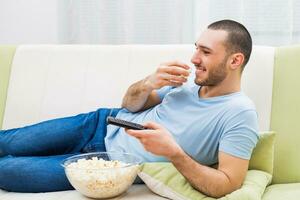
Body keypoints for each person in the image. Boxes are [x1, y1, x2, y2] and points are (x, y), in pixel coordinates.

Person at [0, 19, 258, 198]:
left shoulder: (240, 113)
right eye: (195, 48)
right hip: (100, 123)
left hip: (114, 166)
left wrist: (173, 153)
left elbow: (227, 184)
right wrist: (148, 83)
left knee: (8, 171)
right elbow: (130, 104)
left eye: (205, 51)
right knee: (8, 142)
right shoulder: (189, 79)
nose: (194, 58)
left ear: (235, 60)